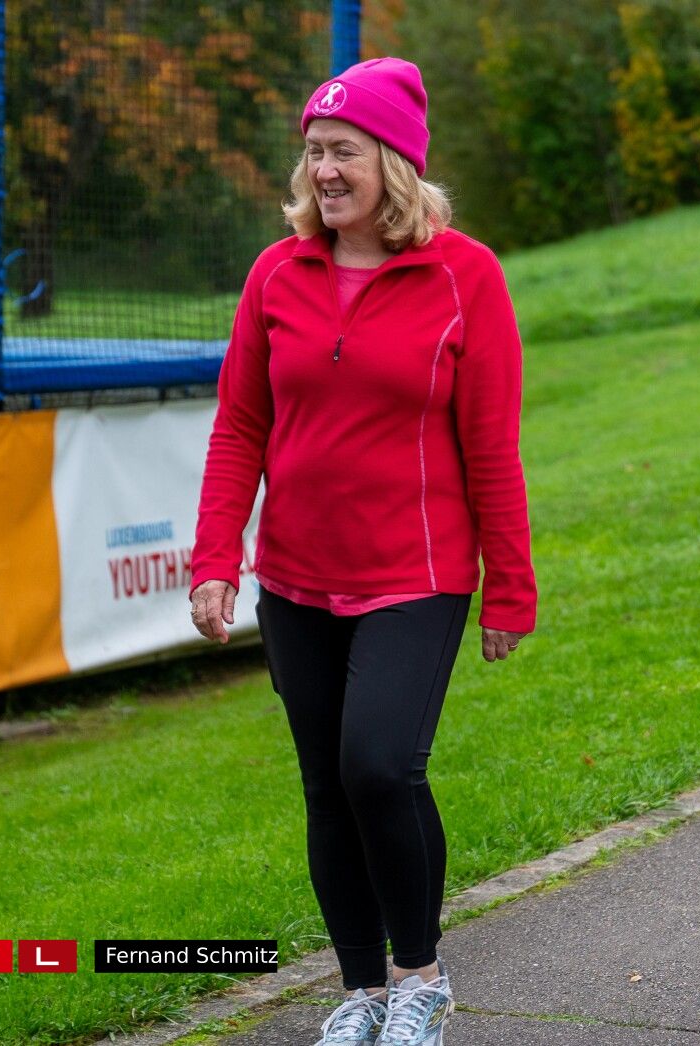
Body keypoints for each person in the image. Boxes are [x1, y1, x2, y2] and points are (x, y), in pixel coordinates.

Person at [189, 57, 537, 1046]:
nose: (325, 170)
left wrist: (510, 586)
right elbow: (239, 426)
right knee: (327, 784)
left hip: (416, 575)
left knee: (379, 765)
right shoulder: (276, 272)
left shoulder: (465, 275)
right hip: (296, 576)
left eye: (344, 151)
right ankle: (360, 990)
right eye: (314, 152)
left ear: (395, 163)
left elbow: (491, 443)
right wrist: (216, 557)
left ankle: (419, 978)